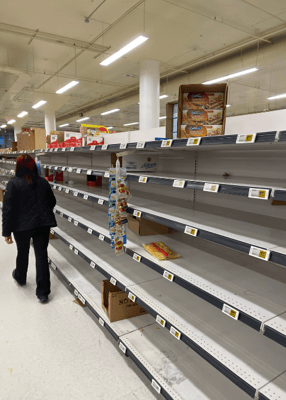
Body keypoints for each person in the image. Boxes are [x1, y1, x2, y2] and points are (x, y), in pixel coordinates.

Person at [2, 154, 57, 303]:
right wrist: (41, 213)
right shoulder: (43, 183)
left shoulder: (13, 184)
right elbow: (52, 201)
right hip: (41, 224)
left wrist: (6, 232)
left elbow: (8, 210)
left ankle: (20, 277)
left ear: (17, 167)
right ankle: (43, 293)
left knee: (22, 252)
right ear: (34, 167)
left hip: (21, 226)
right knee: (41, 256)